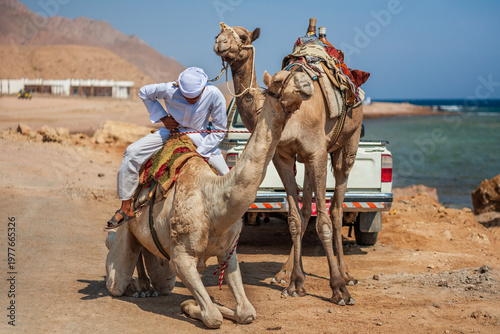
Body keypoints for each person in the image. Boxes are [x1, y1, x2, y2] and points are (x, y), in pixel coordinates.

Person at [106, 67, 229, 229]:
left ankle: (227, 226)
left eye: (195, 98)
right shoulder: (169, 89)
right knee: (131, 153)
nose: (191, 101)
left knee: (226, 176)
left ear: (204, 88)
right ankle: (126, 207)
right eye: (186, 97)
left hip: (200, 137)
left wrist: (200, 153)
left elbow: (220, 130)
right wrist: (163, 118)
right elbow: (144, 92)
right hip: (170, 132)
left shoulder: (214, 94)